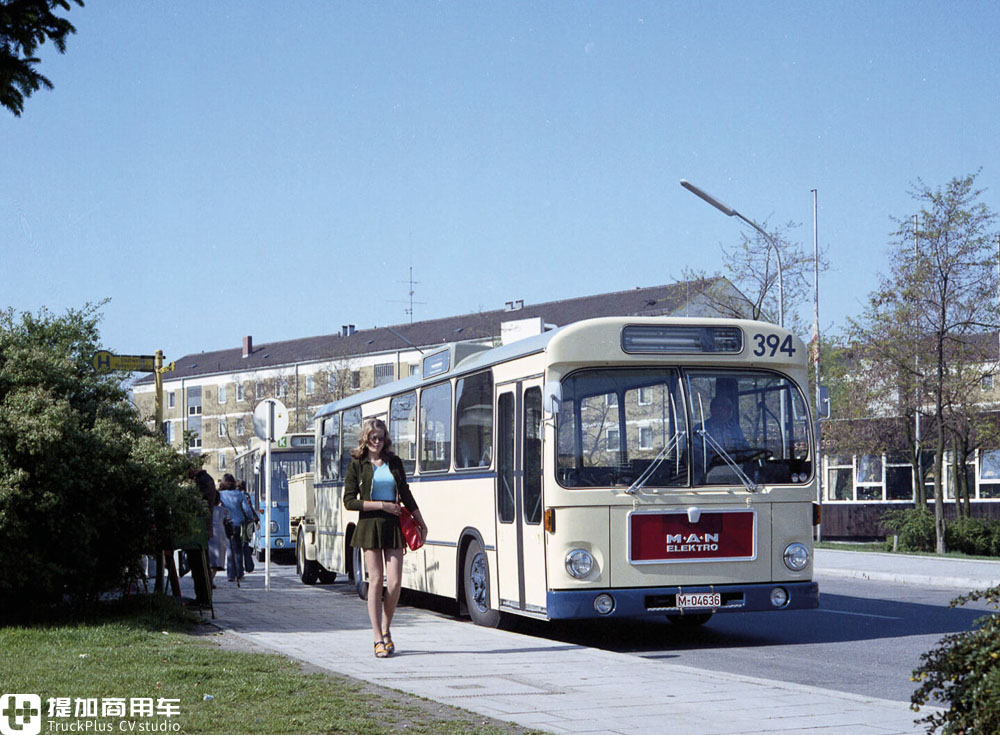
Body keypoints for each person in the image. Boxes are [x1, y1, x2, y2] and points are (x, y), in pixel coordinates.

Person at [344, 417, 427, 658]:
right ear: (365, 439)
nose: (377, 442)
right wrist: (382, 505)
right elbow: (349, 501)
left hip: (393, 526)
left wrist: (421, 522)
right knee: (376, 579)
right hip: (369, 526)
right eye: (372, 438)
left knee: (394, 582)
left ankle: (387, 629)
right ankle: (377, 638)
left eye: (380, 438)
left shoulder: (394, 462)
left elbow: (407, 495)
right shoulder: (357, 465)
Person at [219, 472, 255, 582]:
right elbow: (247, 510)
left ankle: (230, 574)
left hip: (226, 523)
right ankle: (239, 572)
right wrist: (250, 518)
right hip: (238, 524)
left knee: (229, 548)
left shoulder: (220, 495)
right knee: (238, 549)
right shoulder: (240, 494)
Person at [208, 493, 230, 588]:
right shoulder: (224, 510)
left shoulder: (205, 510)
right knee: (216, 562)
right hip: (220, 536)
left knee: (208, 560)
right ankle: (210, 580)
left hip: (208, 535)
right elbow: (229, 523)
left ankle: (208, 580)